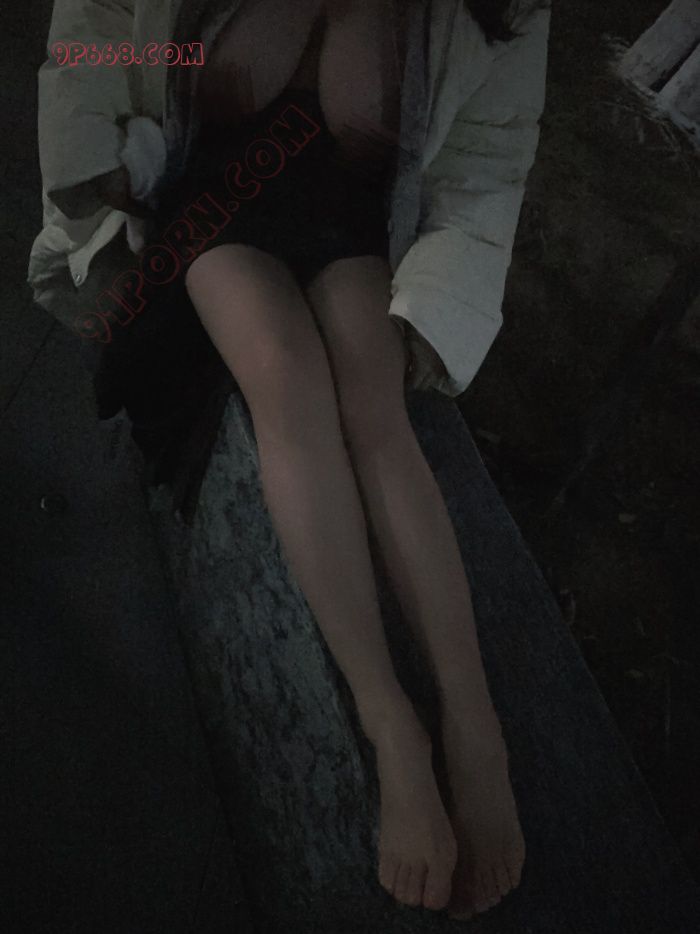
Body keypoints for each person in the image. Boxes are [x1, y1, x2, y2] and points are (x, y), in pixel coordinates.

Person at [27, 0, 551, 920]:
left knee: (375, 404)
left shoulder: (497, 10)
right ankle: (390, 725)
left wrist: (436, 302)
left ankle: (476, 729)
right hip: (210, 195)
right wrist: (96, 155)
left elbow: (490, 155)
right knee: (284, 375)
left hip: (351, 218)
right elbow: (94, 31)